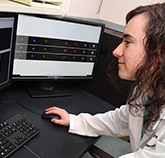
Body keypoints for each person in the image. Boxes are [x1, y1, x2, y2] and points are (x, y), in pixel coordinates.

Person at [45, 3, 165, 158]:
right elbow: (121, 120)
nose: (116, 51)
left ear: (160, 52)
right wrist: (75, 121)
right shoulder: (146, 89)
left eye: (128, 42)